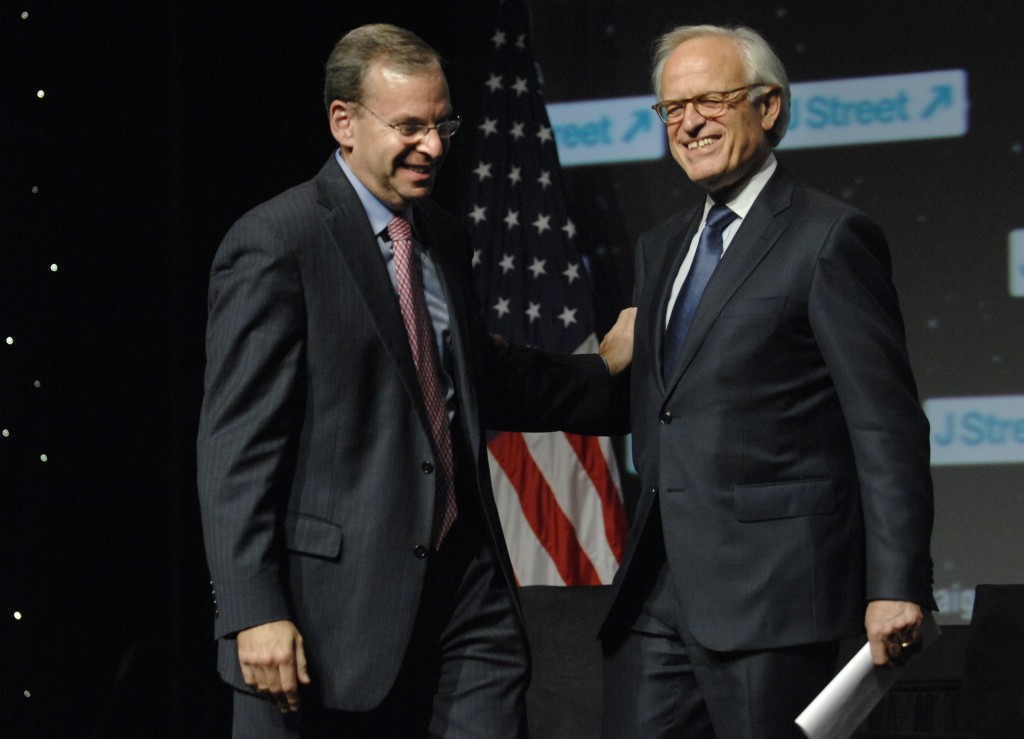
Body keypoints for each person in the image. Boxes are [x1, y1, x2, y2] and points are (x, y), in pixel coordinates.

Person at [196, 23, 633, 737]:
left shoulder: (445, 236)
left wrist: (605, 368)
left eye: (441, 124)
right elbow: (234, 447)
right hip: (325, 615)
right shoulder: (278, 242)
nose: (432, 146)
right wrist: (253, 609)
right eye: (409, 126)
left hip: (465, 593)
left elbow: (474, 373)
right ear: (344, 122)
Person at [599, 24, 935, 738]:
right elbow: (662, 406)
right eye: (671, 109)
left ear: (769, 106)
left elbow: (885, 424)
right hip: (658, 593)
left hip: (773, 599)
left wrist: (898, 583)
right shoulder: (660, 249)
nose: (688, 123)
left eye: (710, 101)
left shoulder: (829, 237)